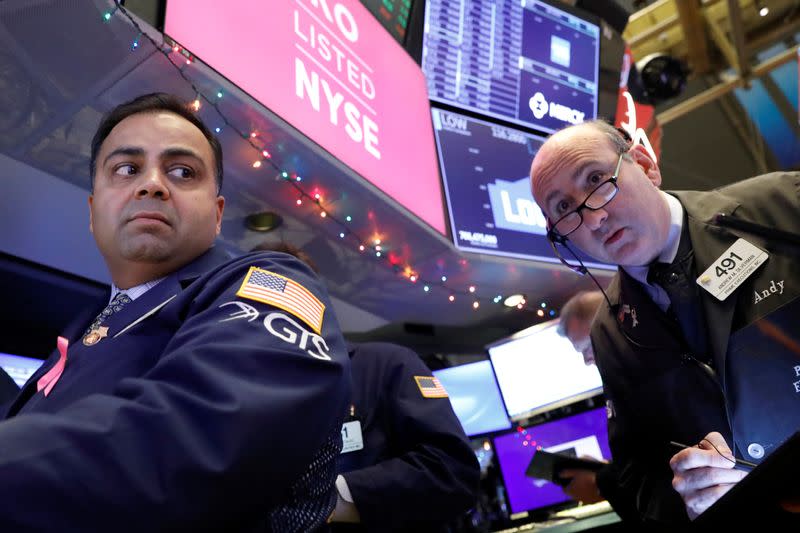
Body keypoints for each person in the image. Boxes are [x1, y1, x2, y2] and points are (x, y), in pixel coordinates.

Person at [0, 93, 350, 531]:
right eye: (126, 169)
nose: (152, 185)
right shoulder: (92, 321)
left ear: (218, 215)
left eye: (182, 172)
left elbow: (202, 439)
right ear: (92, 212)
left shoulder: (266, 282)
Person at [529, 120, 800, 525]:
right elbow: (639, 473)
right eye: (564, 208)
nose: (594, 217)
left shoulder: (782, 206)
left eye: (597, 179)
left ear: (644, 164)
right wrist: (689, 500)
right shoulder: (609, 332)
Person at [250, 243, 480, 532]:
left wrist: (334, 498)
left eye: (289, 292)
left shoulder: (387, 365)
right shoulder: (251, 401)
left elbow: (454, 471)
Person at [556, 290, 640, 524]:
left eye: (587, 347)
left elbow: (661, 468)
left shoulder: (648, 379)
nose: (587, 360)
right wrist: (605, 469)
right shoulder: (621, 384)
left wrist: (599, 481)